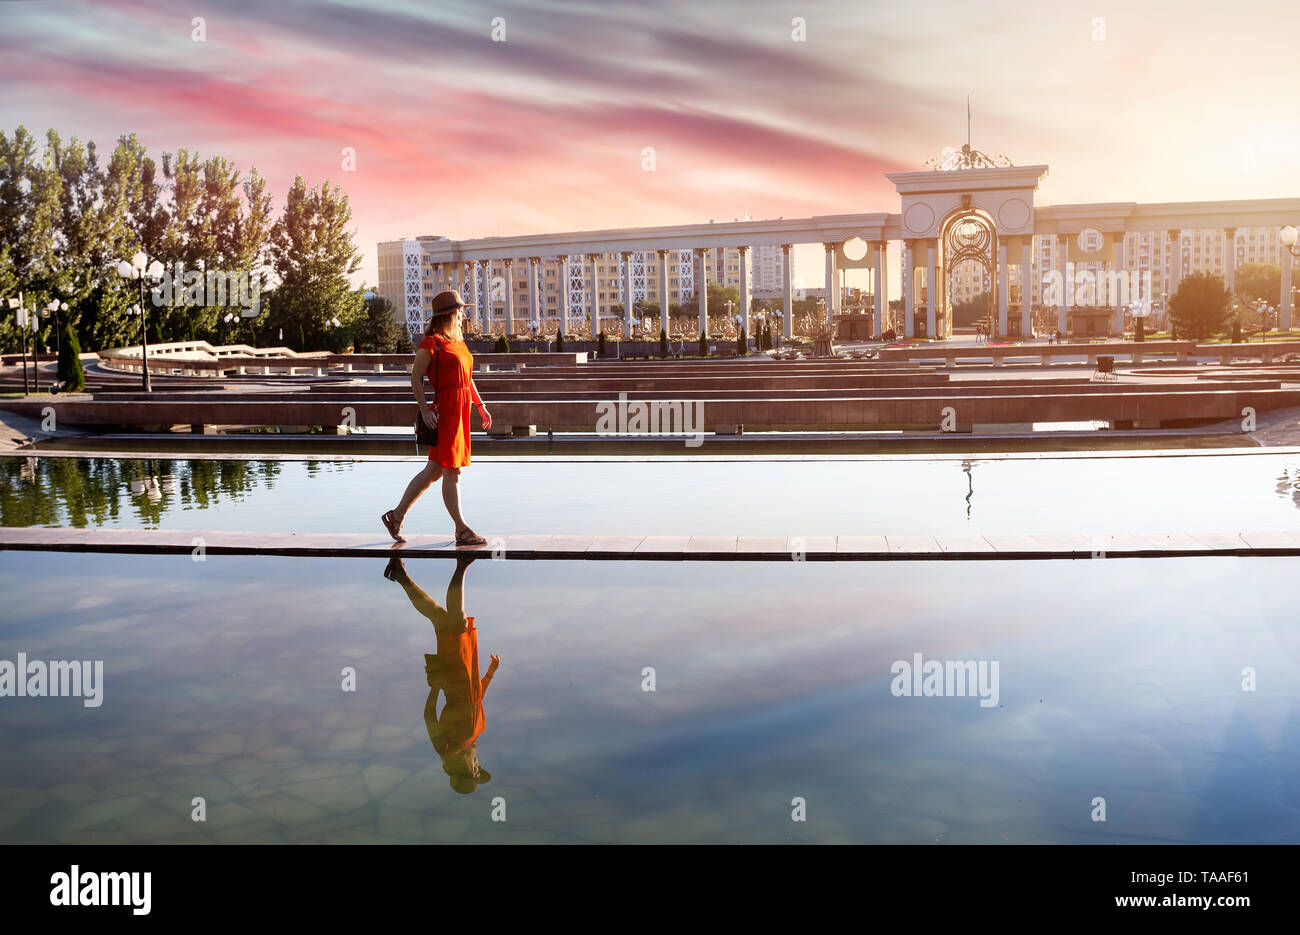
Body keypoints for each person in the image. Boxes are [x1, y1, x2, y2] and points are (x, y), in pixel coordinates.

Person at [382, 290, 492, 545]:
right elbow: (415, 378)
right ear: (450, 314)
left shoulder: (458, 342)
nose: (464, 314)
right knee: (451, 471)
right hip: (445, 411)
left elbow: (468, 378)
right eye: (461, 310)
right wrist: (424, 410)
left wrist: (480, 405)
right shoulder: (431, 343)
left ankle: (395, 517)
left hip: (461, 410)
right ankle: (462, 529)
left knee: (433, 471)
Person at [386, 555, 498, 795]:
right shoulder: (470, 740)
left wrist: (435, 686)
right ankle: (400, 575)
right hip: (469, 677)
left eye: (474, 772)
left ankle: (462, 564)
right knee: (440, 618)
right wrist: (489, 675)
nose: (478, 767)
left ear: (460, 770)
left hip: (455, 681)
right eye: (479, 771)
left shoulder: (448, 749)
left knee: (454, 621)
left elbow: (429, 718)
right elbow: (477, 701)